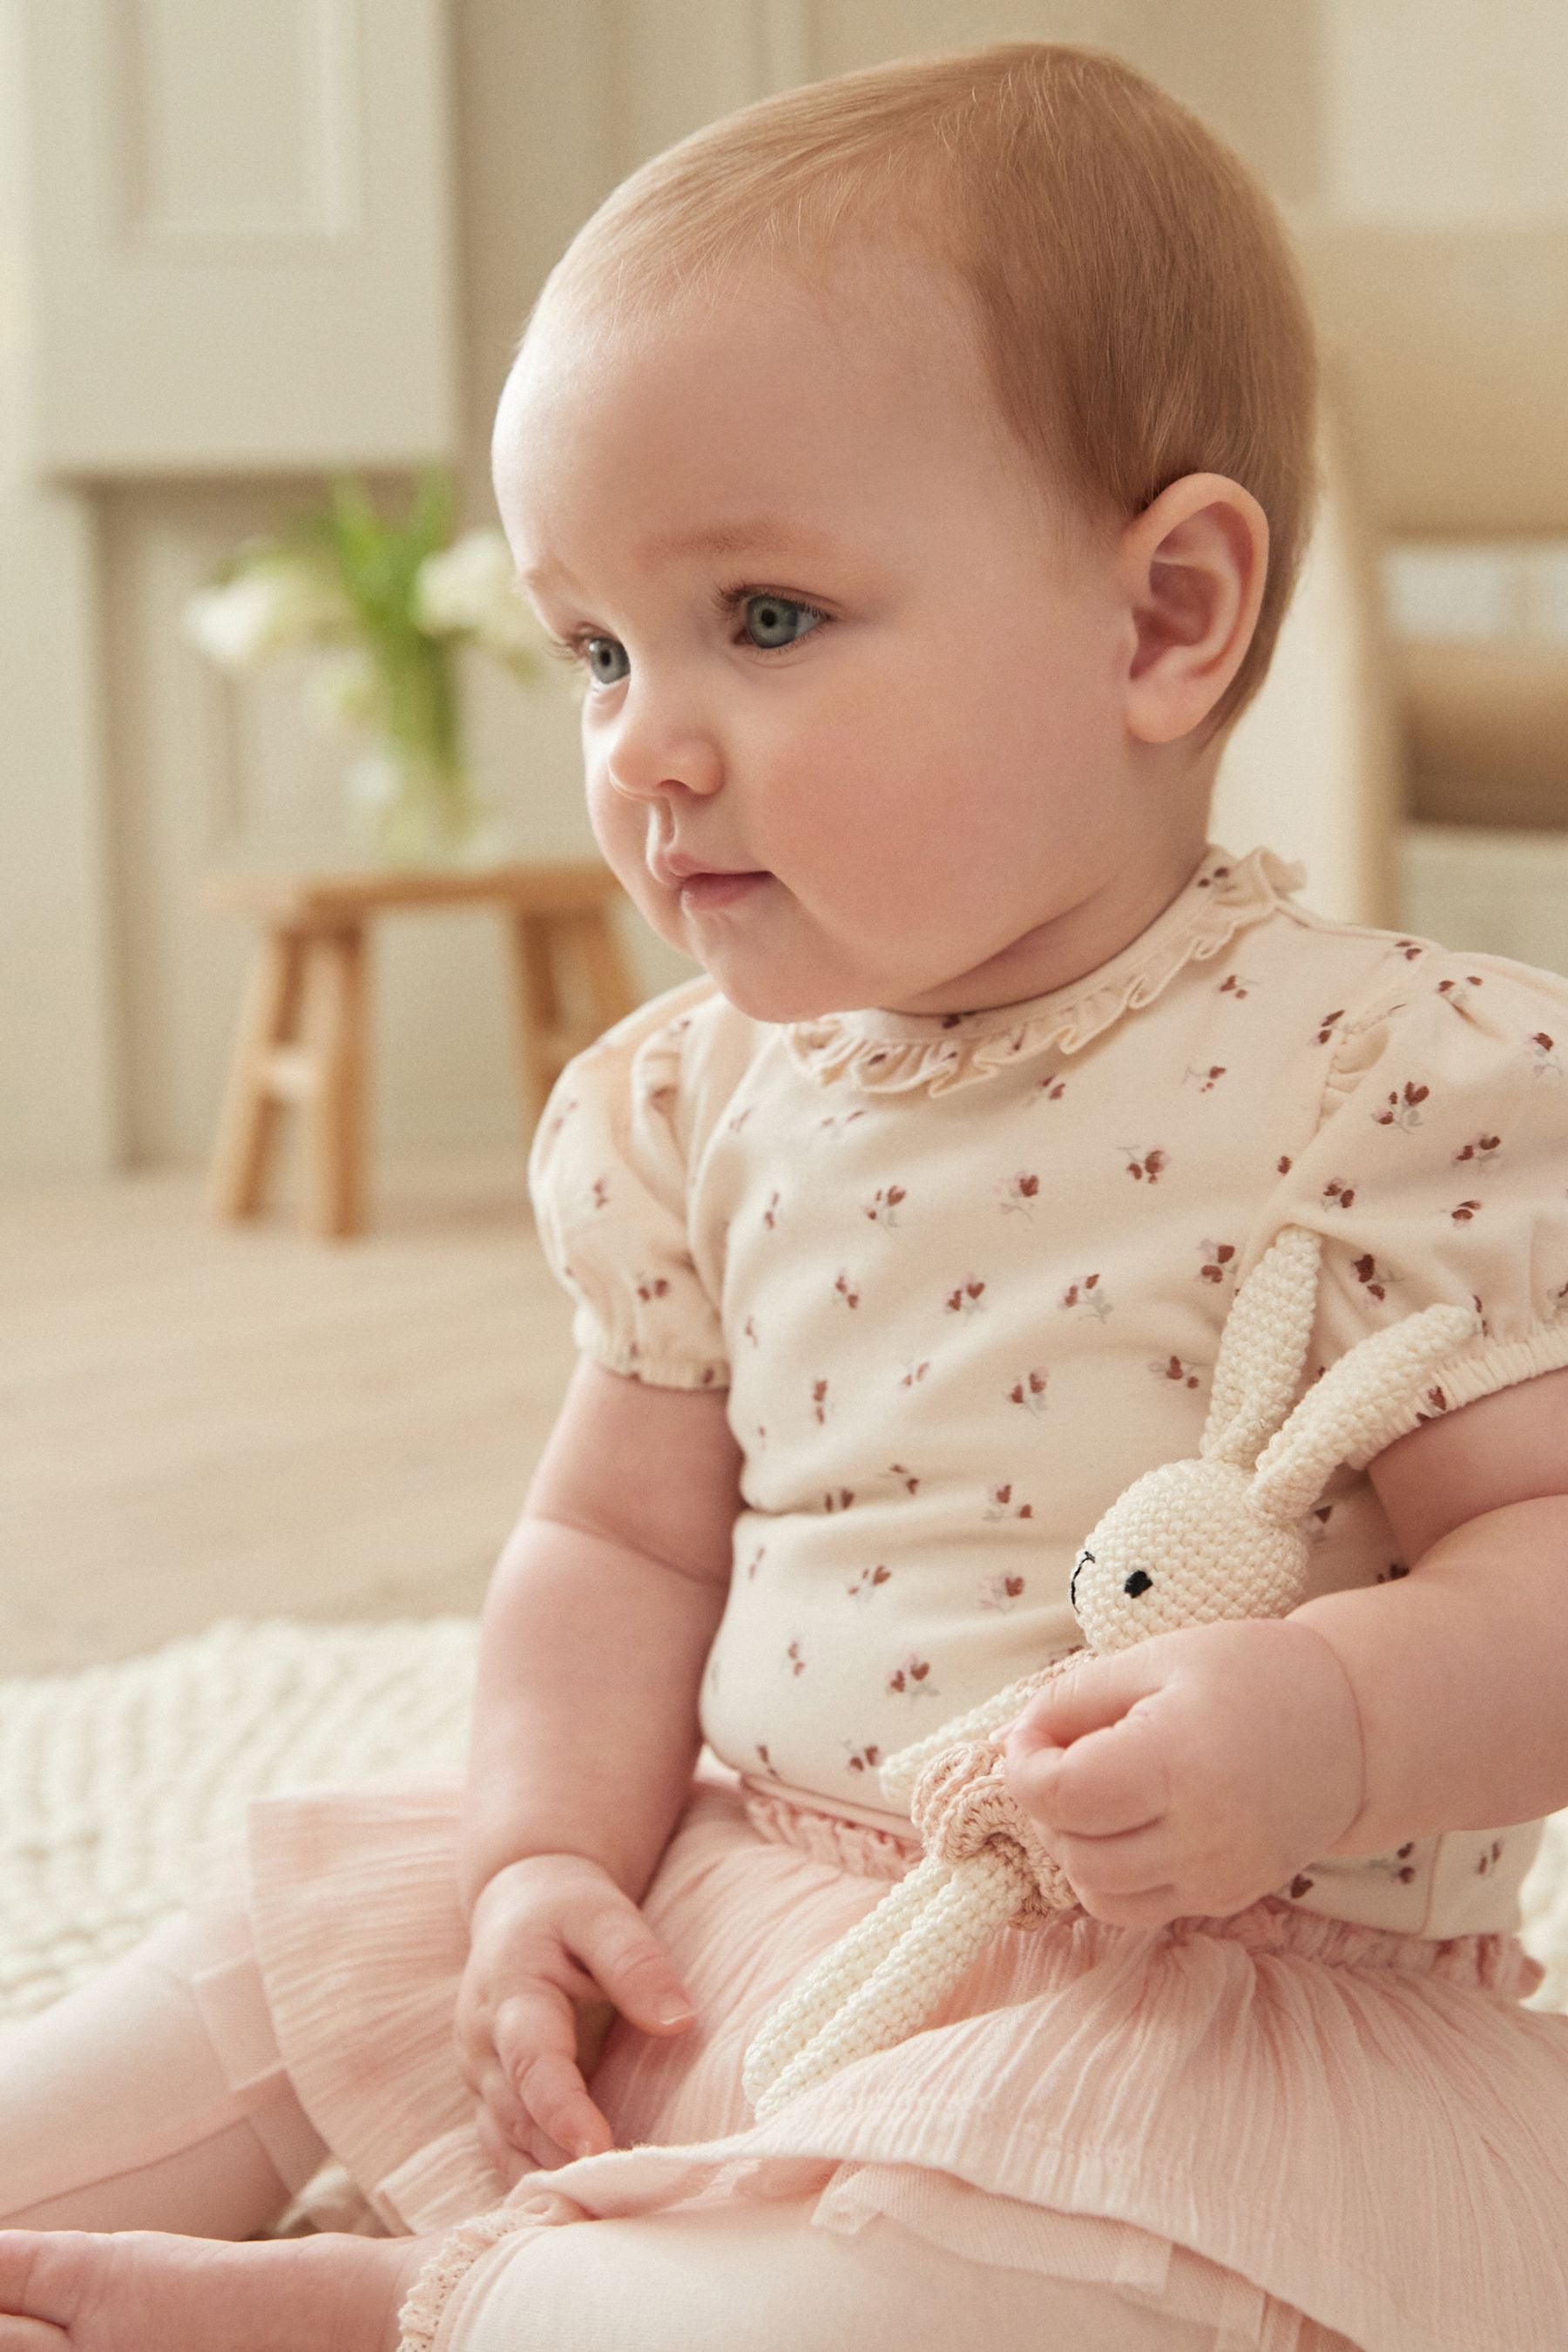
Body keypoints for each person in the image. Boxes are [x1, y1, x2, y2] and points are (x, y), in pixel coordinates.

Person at [4, 37, 1568, 2352]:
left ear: (1163, 622)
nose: (642, 740)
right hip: (729, 1884)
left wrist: (1327, 1728)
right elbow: (616, 1541)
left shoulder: (1379, 1086)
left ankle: (406, 2308)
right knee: (263, 1953)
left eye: (763, 620)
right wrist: (545, 1850)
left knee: (883, 2309)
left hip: (1164, 2003)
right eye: (597, 647)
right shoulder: (694, 1100)